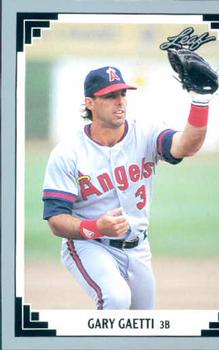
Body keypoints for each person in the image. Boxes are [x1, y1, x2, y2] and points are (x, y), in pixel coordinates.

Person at [42, 66, 210, 310]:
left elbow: (187, 146)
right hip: (90, 244)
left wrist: (200, 101)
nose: (120, 101)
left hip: (138, 248)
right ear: (90, 103)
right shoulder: (67, 153)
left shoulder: (146, 133)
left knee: (142, 324)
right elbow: (56, 220)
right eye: (110, 96)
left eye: (123, 94)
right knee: (116, 298)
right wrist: (94, 227)